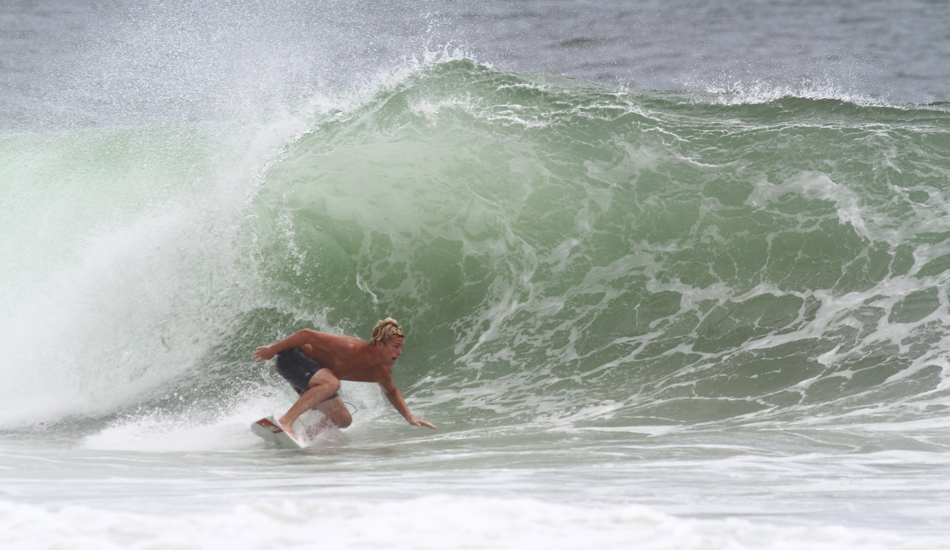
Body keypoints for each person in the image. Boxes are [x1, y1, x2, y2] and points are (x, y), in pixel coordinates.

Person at [253, 318, 436, 440]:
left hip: (314, 378)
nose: (400, 352)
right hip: (291, 358)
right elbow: (306, 334)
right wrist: (272, 350)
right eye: (396, 347)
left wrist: (409, 417)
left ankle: (305, 436)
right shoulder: (350, 347)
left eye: (401, 347)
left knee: (343, 420)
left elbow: (392, 391)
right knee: (332, 383)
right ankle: (285, 422)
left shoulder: (381, 372)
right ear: (380, 344)